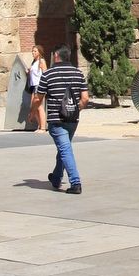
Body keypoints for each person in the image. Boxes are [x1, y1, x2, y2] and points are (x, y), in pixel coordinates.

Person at [37, 46, 89, 194]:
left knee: (65, 149)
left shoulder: (48, 74)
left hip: (56, 120)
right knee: (64, 149)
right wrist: (75, 109)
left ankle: (75, 182)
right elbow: (85, 99)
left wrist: (33, 110)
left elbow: (38, 98)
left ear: (56, 56)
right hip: (73, 120)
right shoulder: (78, 73)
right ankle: (56, 178)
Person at [26, 46, 47, 132]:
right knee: (33, 106)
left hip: (39, 85)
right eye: (32, 51)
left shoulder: (41, 61)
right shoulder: (34, 62)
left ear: (39, 52)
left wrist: (45, 85)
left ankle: (43, 127)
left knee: (39, 106)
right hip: (34, 86)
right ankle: (39, 125)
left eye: (35, 51)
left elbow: (45, 73)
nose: (33, 53)